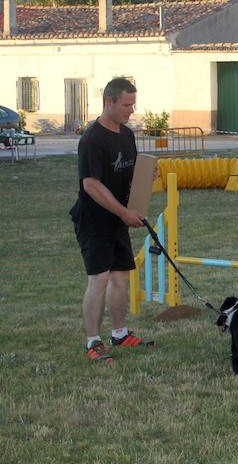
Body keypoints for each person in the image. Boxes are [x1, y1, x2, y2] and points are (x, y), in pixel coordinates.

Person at [70, 78, 156, 363]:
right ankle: (93, 342)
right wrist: (123, 212)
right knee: (100, 279)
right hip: (94, 220)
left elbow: (127, 171)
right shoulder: (92, 139)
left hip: (119, 217)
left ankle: (120, 334)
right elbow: (91, 185)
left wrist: (146, 176)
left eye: (133, 104)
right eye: (126, 105)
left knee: (121, 277)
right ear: (109, 102)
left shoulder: (126, 134)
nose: (131, 110)